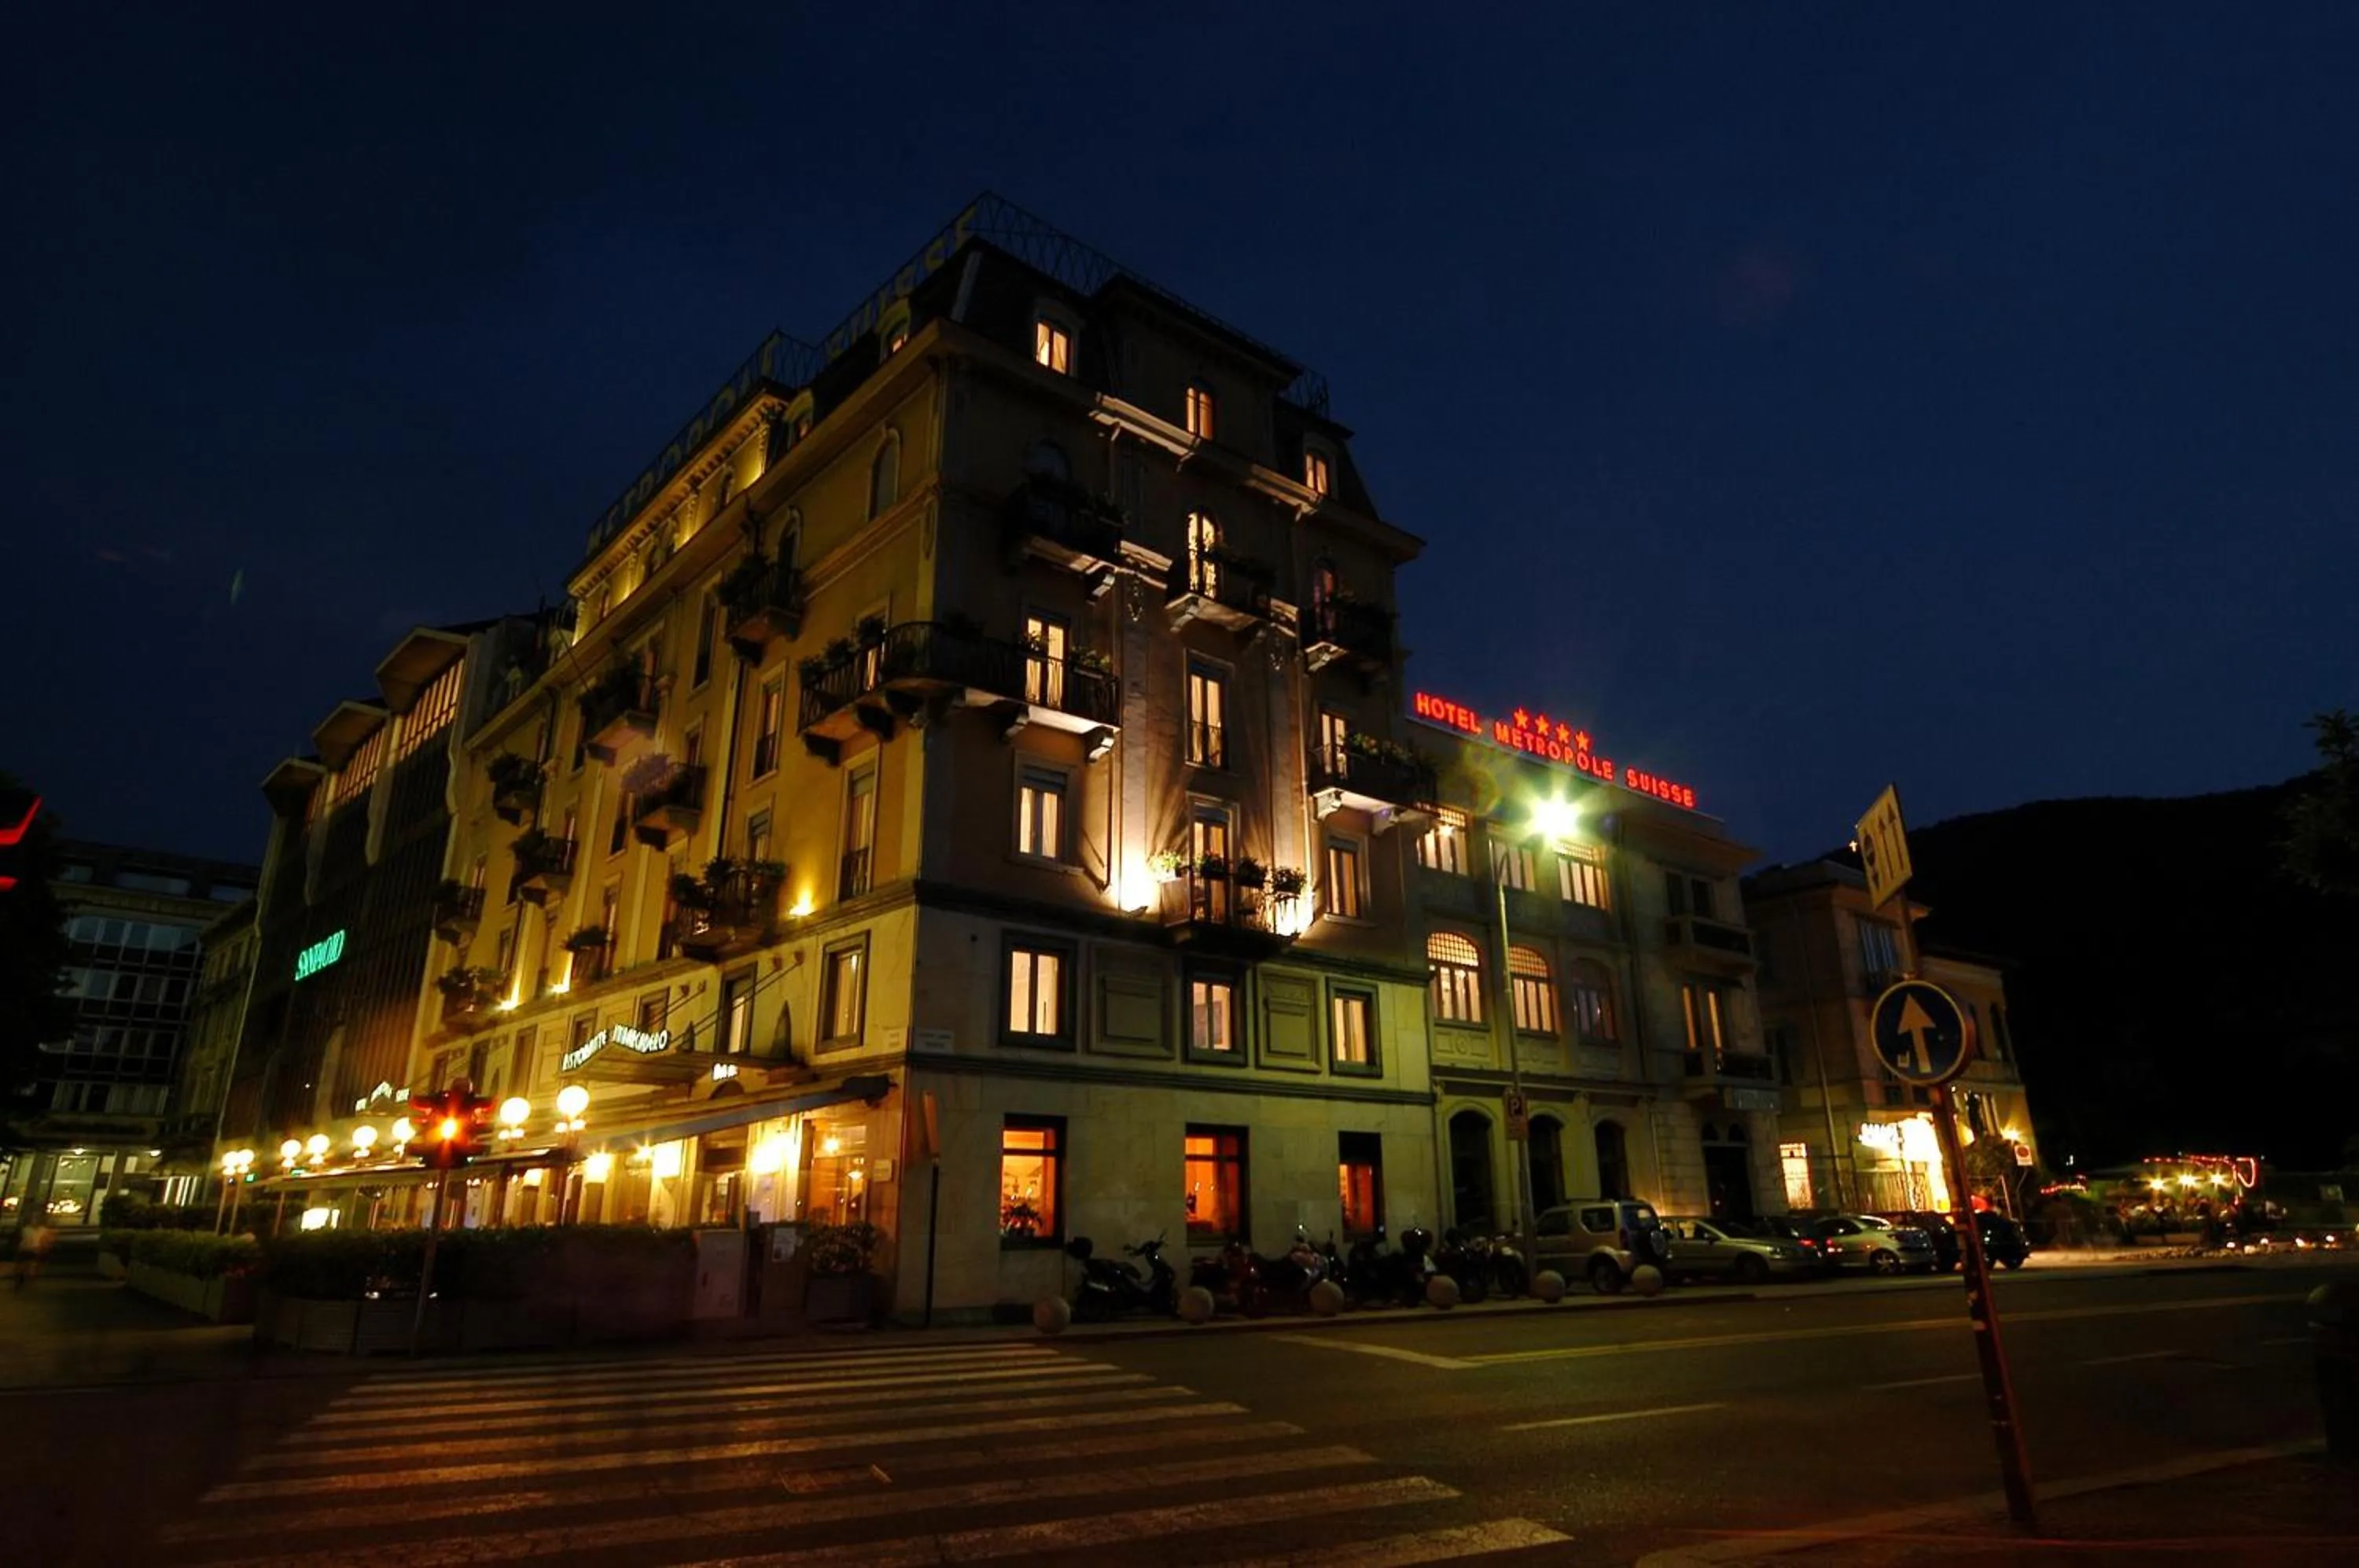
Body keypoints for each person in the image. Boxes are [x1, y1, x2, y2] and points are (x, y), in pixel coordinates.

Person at [13, 1221, 55, 1289]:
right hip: (30, 1249)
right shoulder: (29, 1229)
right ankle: (23, 1278)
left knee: (24, 1266)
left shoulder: (29, 1229)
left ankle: (22, 1279)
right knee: (25, 1266)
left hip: (30, 1250)